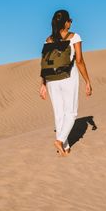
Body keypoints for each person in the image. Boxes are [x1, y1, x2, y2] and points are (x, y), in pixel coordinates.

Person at [39, 9, 92, 156]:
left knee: (59, 113)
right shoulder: (74, 37)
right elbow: (80, 61)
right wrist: (87, 81)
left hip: (51, 79)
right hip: (68, 77)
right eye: (70, 20)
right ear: (66, 22)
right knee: (72, 112)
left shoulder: (48, 40)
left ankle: (65, 147)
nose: (71, 23)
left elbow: (45, 63)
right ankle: (61, 140)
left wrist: (43, 83)